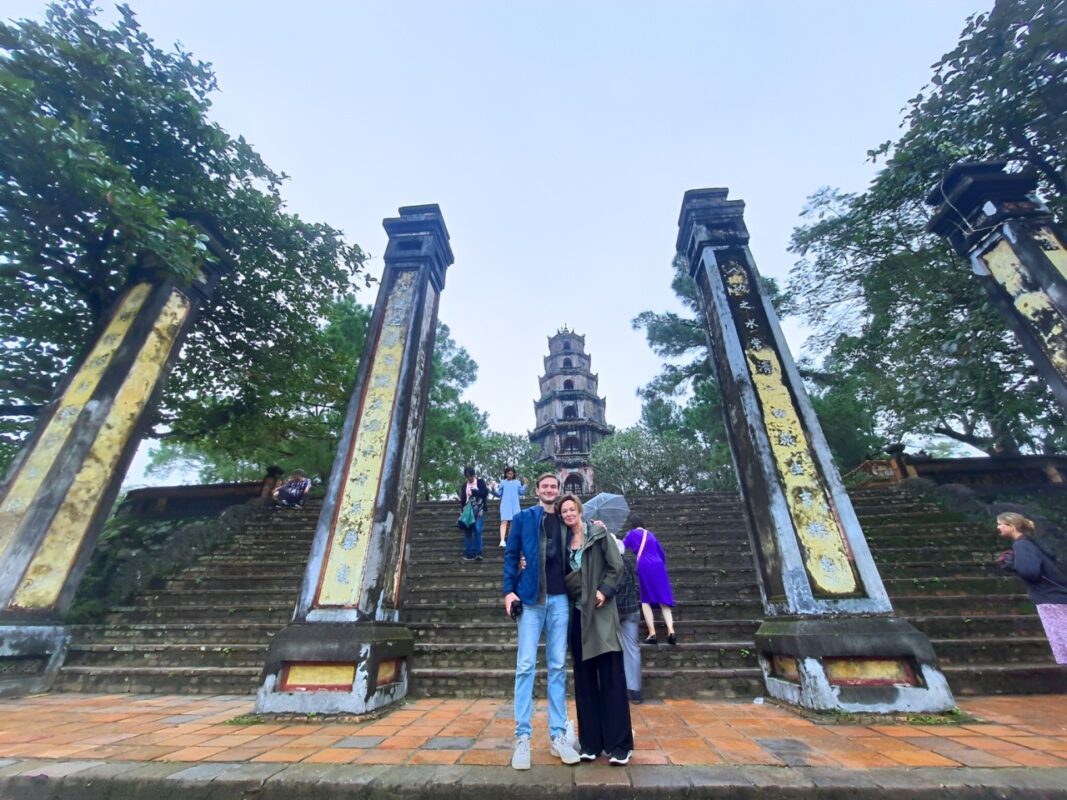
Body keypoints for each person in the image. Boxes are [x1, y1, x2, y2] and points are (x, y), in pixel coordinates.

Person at [502, 473, 581, 770]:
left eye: (553, 487)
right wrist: (508, 591)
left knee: (558, 666)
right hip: (531, 599)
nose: (549, 490)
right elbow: (511, 555)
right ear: (536, 490)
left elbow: (583, 540)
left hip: (561, 599)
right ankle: (522, 737)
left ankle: (558, 735)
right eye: (544, 486)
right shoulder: (523, 518)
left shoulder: (565, 518)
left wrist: (597, 529)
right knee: (525, 666)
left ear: (559, 491)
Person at [559, 494, 633, 765]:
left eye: (571, 509)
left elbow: (617, 567)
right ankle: (590, 742)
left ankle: (620, 745)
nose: (568, 513)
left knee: (611, 678)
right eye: (563, 510)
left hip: (601, 613)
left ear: (579, 510)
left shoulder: (599, 534)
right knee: (584, 680)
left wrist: (605, 590)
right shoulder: (563, 543)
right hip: (577, 615)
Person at [996, 512, 1067, 665]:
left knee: (1062, 641)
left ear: (1012, 526)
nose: (998, 527)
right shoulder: (1032, 542)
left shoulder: (1021, 544)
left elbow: (1030, 571)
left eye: (1001, 523)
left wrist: (1013, 565)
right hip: (1058, 596)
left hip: (1050, 598)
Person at [623, 515, 677, 646]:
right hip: (658, 566)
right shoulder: (651, 535)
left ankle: (652, 633)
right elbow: (662, 553)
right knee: (663, 599)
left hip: (644, 565)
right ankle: (671, 630)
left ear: (633, 525)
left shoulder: (631, 534)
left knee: (645, 599)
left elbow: (621, 547)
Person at [614, 535, 643, 704]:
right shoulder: (629, 562)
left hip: (615, 611)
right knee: (632, 649)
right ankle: (635, 689)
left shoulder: (611, 564)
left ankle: (616, 687)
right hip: (632, 609)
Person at [458, 466, 489, 562]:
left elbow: (485, 493)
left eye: (470, 476)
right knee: (467, 533)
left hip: (478, 510)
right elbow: (464, 499)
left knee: (477, 530)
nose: (469, 478)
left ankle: (478, 553)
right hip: (467, 511)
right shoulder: (464, 486)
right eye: (467, 477)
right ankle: (469, 554)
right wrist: (460, 501)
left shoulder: (480, 482)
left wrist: (474, 492)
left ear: (473, 475)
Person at [491, 467, 528, 548]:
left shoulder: (517, 482)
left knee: (513, 522)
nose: (510, 475)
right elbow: (499, 494)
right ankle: (502, 540)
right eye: (508, 473)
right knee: (504, 521)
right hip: (505, 504)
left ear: (514, 474)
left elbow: (521, 492)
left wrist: (525, 484)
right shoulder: (503, 482)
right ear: (505, 474)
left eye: (511, 473)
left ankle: (510, 540)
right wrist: (493, 489)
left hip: (515, 504)